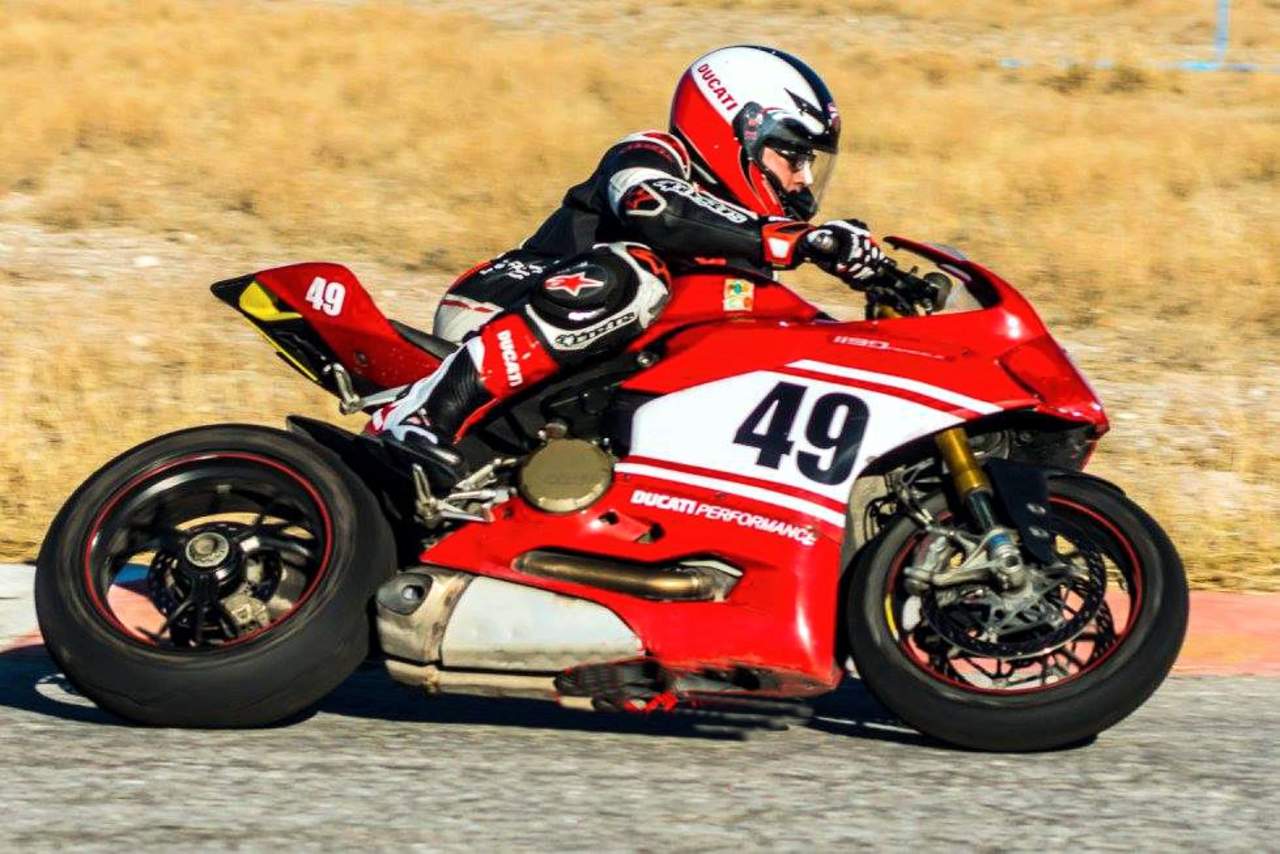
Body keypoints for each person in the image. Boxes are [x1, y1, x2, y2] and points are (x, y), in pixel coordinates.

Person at [373, 44, 884, 469]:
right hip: (502, 302)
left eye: (811, 161)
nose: (804, 179)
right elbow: (655, 207)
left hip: (589, 376)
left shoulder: (747, 254)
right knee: (636, 272)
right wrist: (798, 239)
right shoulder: (655, 154)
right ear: (737, 130)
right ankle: (421, 415)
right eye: (793, 156)